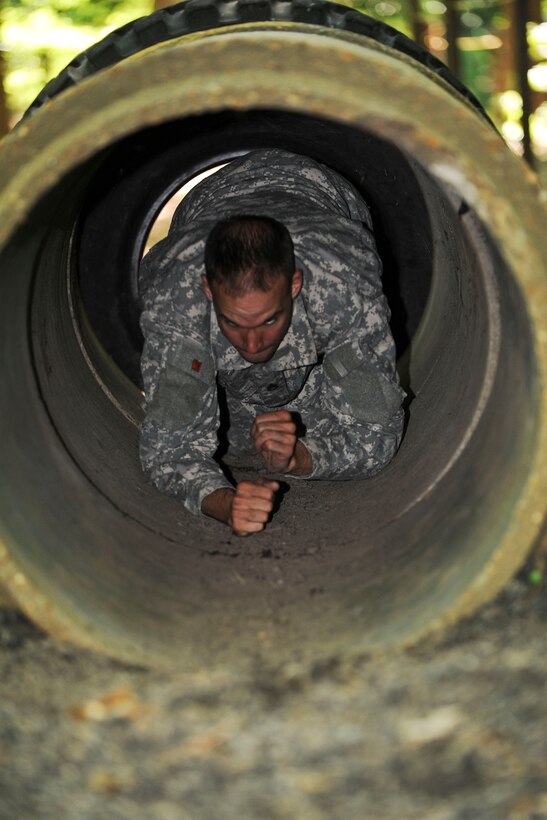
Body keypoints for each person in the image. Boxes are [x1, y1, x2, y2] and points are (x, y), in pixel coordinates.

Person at [139, 148, 405, 536]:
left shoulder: (341, 289)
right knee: (231, 436)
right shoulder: (176, 302)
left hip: (326, 194)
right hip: (208, 201)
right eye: (234, 323)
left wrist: (302, 456)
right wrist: (223, 503)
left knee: (321, 422)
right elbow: (167, 448)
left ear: (295, 286)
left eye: (269, 319)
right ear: (208, 291)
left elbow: (376, 435)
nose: (252, 343)